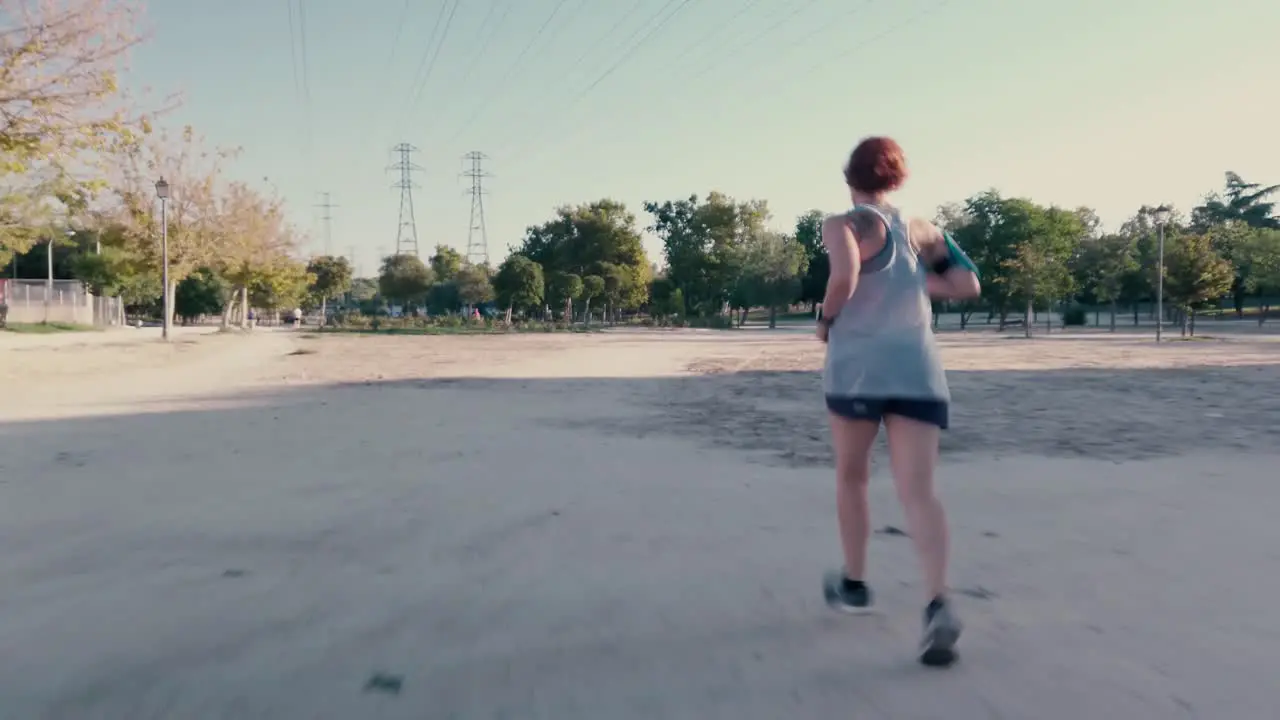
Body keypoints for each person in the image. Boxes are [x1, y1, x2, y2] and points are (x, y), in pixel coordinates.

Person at [816, 136, 981, 666]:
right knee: (919, 491)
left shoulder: (843, 224)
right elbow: (966, 283)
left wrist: (825, 319)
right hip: (917, 369)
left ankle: (856, 583)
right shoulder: (923, 229)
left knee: (852, 476)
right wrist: (910, 286)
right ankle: (938, 602)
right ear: (898, 179)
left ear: (851, 179)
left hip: (858, 369)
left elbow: (844, 276)